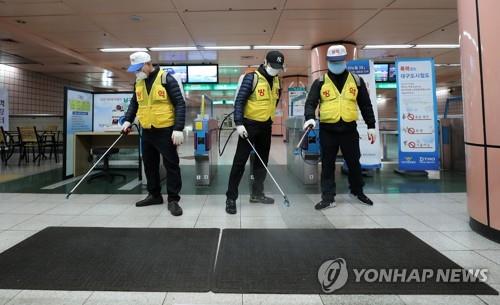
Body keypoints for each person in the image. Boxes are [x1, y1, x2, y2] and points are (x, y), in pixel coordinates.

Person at [304, 45, 376, 210]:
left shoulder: (357, 81)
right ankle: (328, 197)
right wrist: (309, 118)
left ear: (345, 60)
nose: (337, 64)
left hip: (349, 130)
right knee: (327, 164)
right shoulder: (320, 82)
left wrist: (371, 126)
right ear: (328, 61)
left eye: (339, 61)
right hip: (328, 130)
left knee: (354, 162)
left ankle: (358, 192)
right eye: (333, 61)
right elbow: (311, 102)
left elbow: (365, 105)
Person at [121, 51, 186, 216]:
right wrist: (128, 121)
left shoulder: (166, 79)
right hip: (147, 131)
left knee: (171, 165)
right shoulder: (138, 82)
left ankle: (173, 200)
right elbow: (134, 104)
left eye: (138, 68)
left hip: (165, 130)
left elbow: (180, 103)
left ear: (147, 64)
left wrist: (178, 128)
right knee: (149, 165)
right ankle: (154, 195)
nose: (137, 72)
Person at [225, 51, 285, 214]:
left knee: (261, 163)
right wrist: (239, 123)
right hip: (249, 126)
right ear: (265, 62)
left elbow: (275, 101)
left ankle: (257, 194)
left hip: (266, 126)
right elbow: (239, 102)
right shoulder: (252, 78)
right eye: (273, 66)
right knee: (239, 162)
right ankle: (231, 198)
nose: (275, 70)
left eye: (278, 68)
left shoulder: (278, 81)